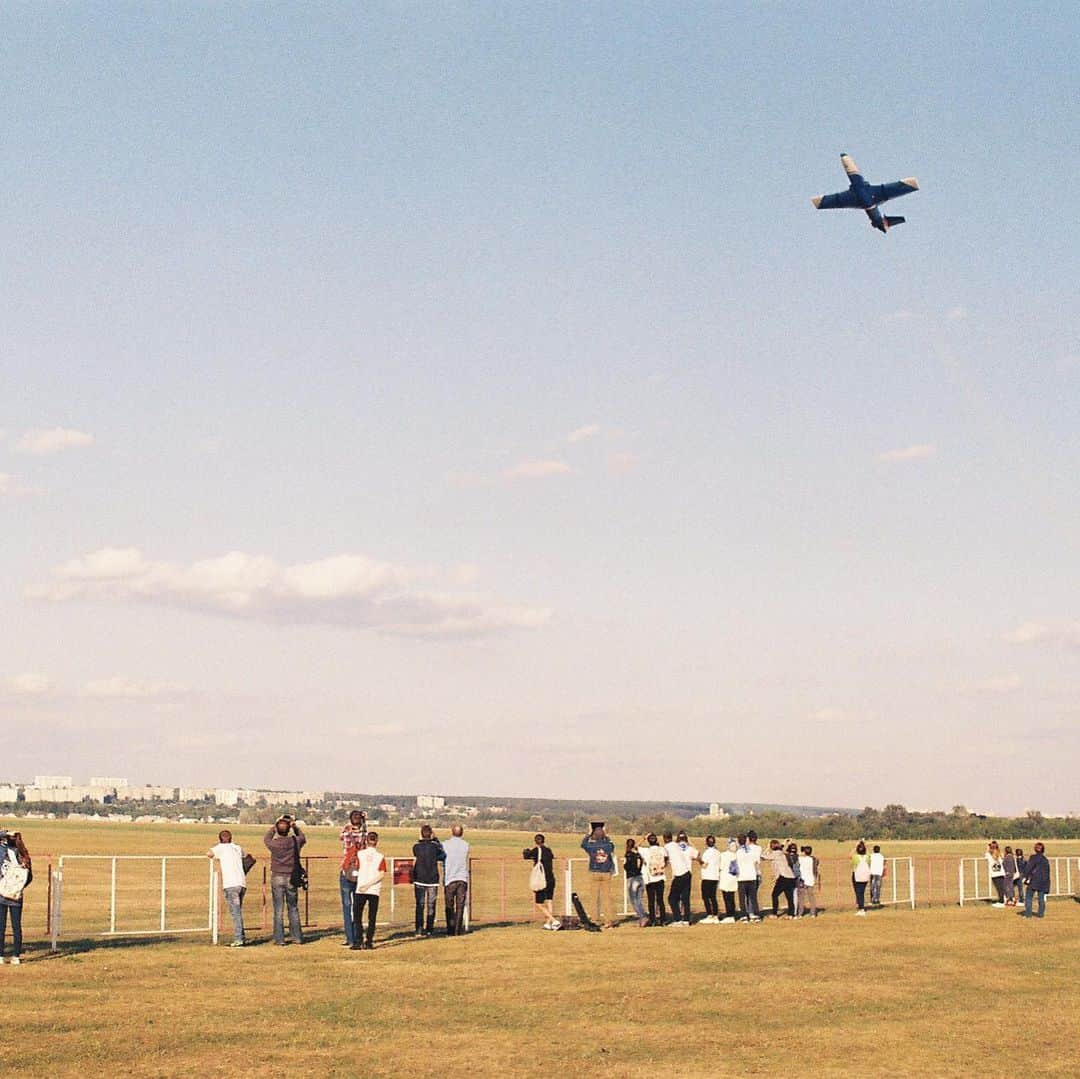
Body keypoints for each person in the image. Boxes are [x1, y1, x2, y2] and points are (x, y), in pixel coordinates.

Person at [263, 815, 306, 945]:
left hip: (277, 876)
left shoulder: (274, 843)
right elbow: (303, 837)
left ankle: (280, 939)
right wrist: (294, 826)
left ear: (277, 830)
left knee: (278, 909)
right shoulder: (294, 842)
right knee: (293, 907)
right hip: (292, 876)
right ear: (288, 830)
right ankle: (297, 937)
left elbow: (266, 838)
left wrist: (275, 825)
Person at [208, 829, 248, 946]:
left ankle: (238, 939)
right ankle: (241, 936)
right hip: (241, 883)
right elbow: (245, 854)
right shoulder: (237, 847)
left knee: (235, 913)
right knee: (238, 912)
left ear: (220, 839)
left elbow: (209, 854)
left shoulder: (220, 848)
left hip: (231, 884)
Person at [0, 830, 31, 965]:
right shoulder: (23, 854)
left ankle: (0, 955)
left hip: (2, 892)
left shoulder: (3, 853)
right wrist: (19, 887)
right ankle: (16, 956)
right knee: (16, 926)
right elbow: (29, 877)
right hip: (17, 895)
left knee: (1, 926)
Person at [352, 831, 387, 948]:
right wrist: (370, 884)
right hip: (374, 890)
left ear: (367, 841)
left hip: (361, 889)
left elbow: (356, 869)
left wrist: (365, 885)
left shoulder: (360, 854)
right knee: (372, 917)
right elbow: (382, 874)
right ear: (377, 841)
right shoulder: (380, 857)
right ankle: (369, 941)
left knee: (357, 916)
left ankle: (358, 940)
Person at [338, 810, 367, 947]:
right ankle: (358, 936)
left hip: (346, 871)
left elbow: (340, 836)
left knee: (346, 905)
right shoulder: (365, 835)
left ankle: (349, 937)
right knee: (358, 906)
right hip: (360, 872)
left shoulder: (346, 833)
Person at [580, 822, 617, 928]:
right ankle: (608, 921)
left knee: (594, 898)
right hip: (606, 872)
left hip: (594, 872)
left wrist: (589, 834)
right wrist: (605, 834)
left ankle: (595, 919)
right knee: (606, 898)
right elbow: (612, 845)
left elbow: (583, 844)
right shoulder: (607, 845)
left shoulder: (591, 846)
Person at [412, 824, 444, 938]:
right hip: (432, 879)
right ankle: (430, 929)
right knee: (431, 905)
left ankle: (419, 929)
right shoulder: (435, 847)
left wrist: (421, 839)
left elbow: (415, 852)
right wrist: (436, 839)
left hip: (419, 879)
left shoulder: (416, 847)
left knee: (419, 906)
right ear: (431, 834)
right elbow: (442, 854)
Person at [523, 834, 559, 930]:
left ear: (535, 841)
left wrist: (526, 851)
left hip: (542, 880)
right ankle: (548, 924)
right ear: (544, 841)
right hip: (551, 878)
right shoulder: (548, 850)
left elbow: (526, 856)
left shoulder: (536, 850)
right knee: (549, 901)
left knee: (539, 903)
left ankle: (553, 920)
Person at [664, 830, 698, 926]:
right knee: (685, 898)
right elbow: (697, 854)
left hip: (679, 874)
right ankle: (686, 919)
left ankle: (678, 919)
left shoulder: (669, 846)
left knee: (672, 898)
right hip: (687, 873)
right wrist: (689, 842)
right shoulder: (684, 847)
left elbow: (665, 859)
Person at [443, 824, 469, 936]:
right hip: (462, 877)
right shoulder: (466, 845)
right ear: (462, 833)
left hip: (450, 878)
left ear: (452, 832)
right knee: (460, 906)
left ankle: (450, 928)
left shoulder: (445, 844)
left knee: (449, 905)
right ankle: (458, 930)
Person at [763, 839, 797, 919]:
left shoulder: (774, 854)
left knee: (774, 895)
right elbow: (779, 848)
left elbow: (763, 856)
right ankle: (791, 914)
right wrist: (783, 843)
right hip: (791, 877)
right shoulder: (781, 853)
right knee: (789, 897)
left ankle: (774, 913)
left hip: (783, 877)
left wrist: (767, 847)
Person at [640, 833, 668, 926]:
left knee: (651, 900)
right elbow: (666, 858)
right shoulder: (662, 849)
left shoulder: (646, 851)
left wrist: (644, 838)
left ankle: (652, 920)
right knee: (660, 900)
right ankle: (663, 919)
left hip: (650, 878)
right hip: (660, 877)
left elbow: (635, 847)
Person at [1019, 841, 1051, 919]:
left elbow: (1028, 868)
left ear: (1035, 849)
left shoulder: (1033, 857)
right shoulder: (1045, 859)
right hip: (1043, 881)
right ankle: (1041, 914)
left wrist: (1024, 877)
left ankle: (1028, 914)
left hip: (1034, 880)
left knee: (1029, 897)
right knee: (1041, 898)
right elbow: (1048, 872)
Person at [735, 834, 761, 922]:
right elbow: (756, 862)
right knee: (753, 897)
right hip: (752, 876)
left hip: (741, 877)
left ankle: (744, 915)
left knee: (742, 898)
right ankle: (755, 914)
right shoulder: (752, 851)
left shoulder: (738, 852)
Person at [624, 838, 647, 927]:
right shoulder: (638, 855)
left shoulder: (628, 854)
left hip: (632, 879)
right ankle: (642, 918)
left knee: (634, 901)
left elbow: (627, 866)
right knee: (639, 900)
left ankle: (643, 917)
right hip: (640, 877)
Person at [699, 835, 721, 923]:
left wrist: (699, 860)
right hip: (715, 876)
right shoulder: (718, 852)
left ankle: (709, 914)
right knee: (713, 896)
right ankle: (715, 915)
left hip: (707, 877)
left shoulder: (707, 853)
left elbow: (704, 865)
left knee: (705, 897)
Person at [718, 838, 739, 922]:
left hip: (725, 878)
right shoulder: (738, 855)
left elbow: (721, 866)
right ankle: (732, 913)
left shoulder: (723, 855)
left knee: (727, 897)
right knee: (731, 896)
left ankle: (729, 914)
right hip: (734, 879)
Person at [796, 845, 820, 917]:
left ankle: (800, 913)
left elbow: (797, 856)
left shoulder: (800, 859)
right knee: (811, 897)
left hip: (802, 880)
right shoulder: (813, 859)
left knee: (801, 898)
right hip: (811, 880)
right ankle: (813, 913)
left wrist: (801, 852)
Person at [851, 840, 872, 916]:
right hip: (866, 876)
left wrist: (855, 846)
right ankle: (861, 907)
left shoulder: (856, 857)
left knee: (859, 893)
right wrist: (865, 846)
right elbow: (869, 855)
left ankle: (861, 909)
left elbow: (850, 855)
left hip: (857, 876)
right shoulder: (867, 857)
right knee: (862, 892)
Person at [985, 841, 1007, 907]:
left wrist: (988, 847)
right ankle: (1003, 899)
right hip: (1001, 873)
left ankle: (1001, 901)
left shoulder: (989, 855)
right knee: (1002, 887)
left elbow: (986, 853)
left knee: (999, 888)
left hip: (995, 874)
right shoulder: (1000, 854)